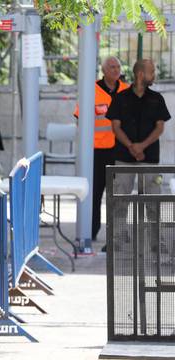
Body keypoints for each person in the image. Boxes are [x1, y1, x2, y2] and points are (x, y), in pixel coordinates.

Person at [107, 59, 170, 252]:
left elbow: (160, 128)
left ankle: (156, 242)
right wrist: (131, 146)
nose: (154, 75)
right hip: (123, 158)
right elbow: (115, 127)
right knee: (119, 200)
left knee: (153, 202)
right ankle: (116, 240)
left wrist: (141, 146)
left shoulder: (157, 99)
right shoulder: (121, 98)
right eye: (152, 71)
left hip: (149, 158)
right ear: (141, 74)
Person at [73, 56, 129, 243]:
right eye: (111, 67)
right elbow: (80, 119)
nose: (115, 70)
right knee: (95, 193)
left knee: (119, 194)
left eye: (118, 67)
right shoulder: (91, 91)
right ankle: (92, 230)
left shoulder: (127, 90)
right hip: (97, 151)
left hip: (121, 151)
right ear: (104, 71)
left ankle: (119, 233)